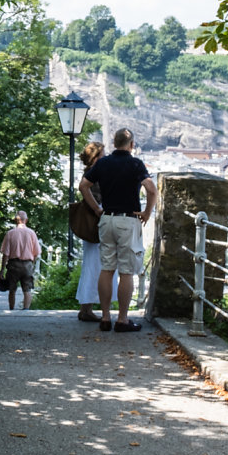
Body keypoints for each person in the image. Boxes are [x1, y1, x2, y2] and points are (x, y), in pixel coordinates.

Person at [79, 128, 158, 333]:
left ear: (114, 143)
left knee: (107, 268)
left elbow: (83, 186)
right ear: (131, 145)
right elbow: (151, 188)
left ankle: (105, 317)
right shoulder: (135, 164)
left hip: (106, 219)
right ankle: (122, 319)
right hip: (127, 220)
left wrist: (97, 208)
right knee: (126, 272)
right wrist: (147, 212)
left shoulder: (103, 163)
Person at [75, 141, 118, 322]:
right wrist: (98, 209)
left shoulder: (92, 172)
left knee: (92, 265)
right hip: (98, 220)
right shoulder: (96, 173)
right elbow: (88, 191)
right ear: (96, 157)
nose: (106, 157)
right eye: (103, 154)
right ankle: (87, 308)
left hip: (93, 221)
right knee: (96, 265)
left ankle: (87, 307)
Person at [0, 210, 42, 310]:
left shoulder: (10, 234)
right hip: (27, 265)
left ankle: (11, 309)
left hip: (13, 265)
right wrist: (32, 264)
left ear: (15, 220)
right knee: (27, 290)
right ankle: (25, 310)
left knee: (12, 289)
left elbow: (5, 254)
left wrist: (2, 269)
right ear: (26, 220)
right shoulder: (32, 233)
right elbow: (36, 253)